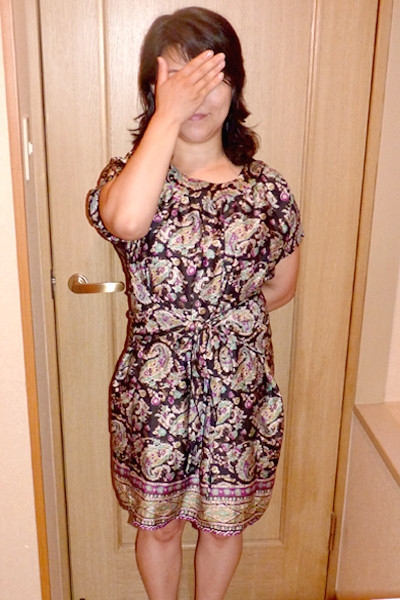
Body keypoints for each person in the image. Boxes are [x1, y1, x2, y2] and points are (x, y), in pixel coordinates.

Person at [87, 6, 303, 600]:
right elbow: (127, 222)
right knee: (158, 524)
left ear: (236, 86)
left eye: (213, 76)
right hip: (156, 387)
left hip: (239, 383)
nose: (198, 94)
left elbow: (282, 287)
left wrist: (223, 323)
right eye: (180, 78)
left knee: (222, 523)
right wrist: (168, 115)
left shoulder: (269, 190)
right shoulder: (125, 179)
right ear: (154, 89)